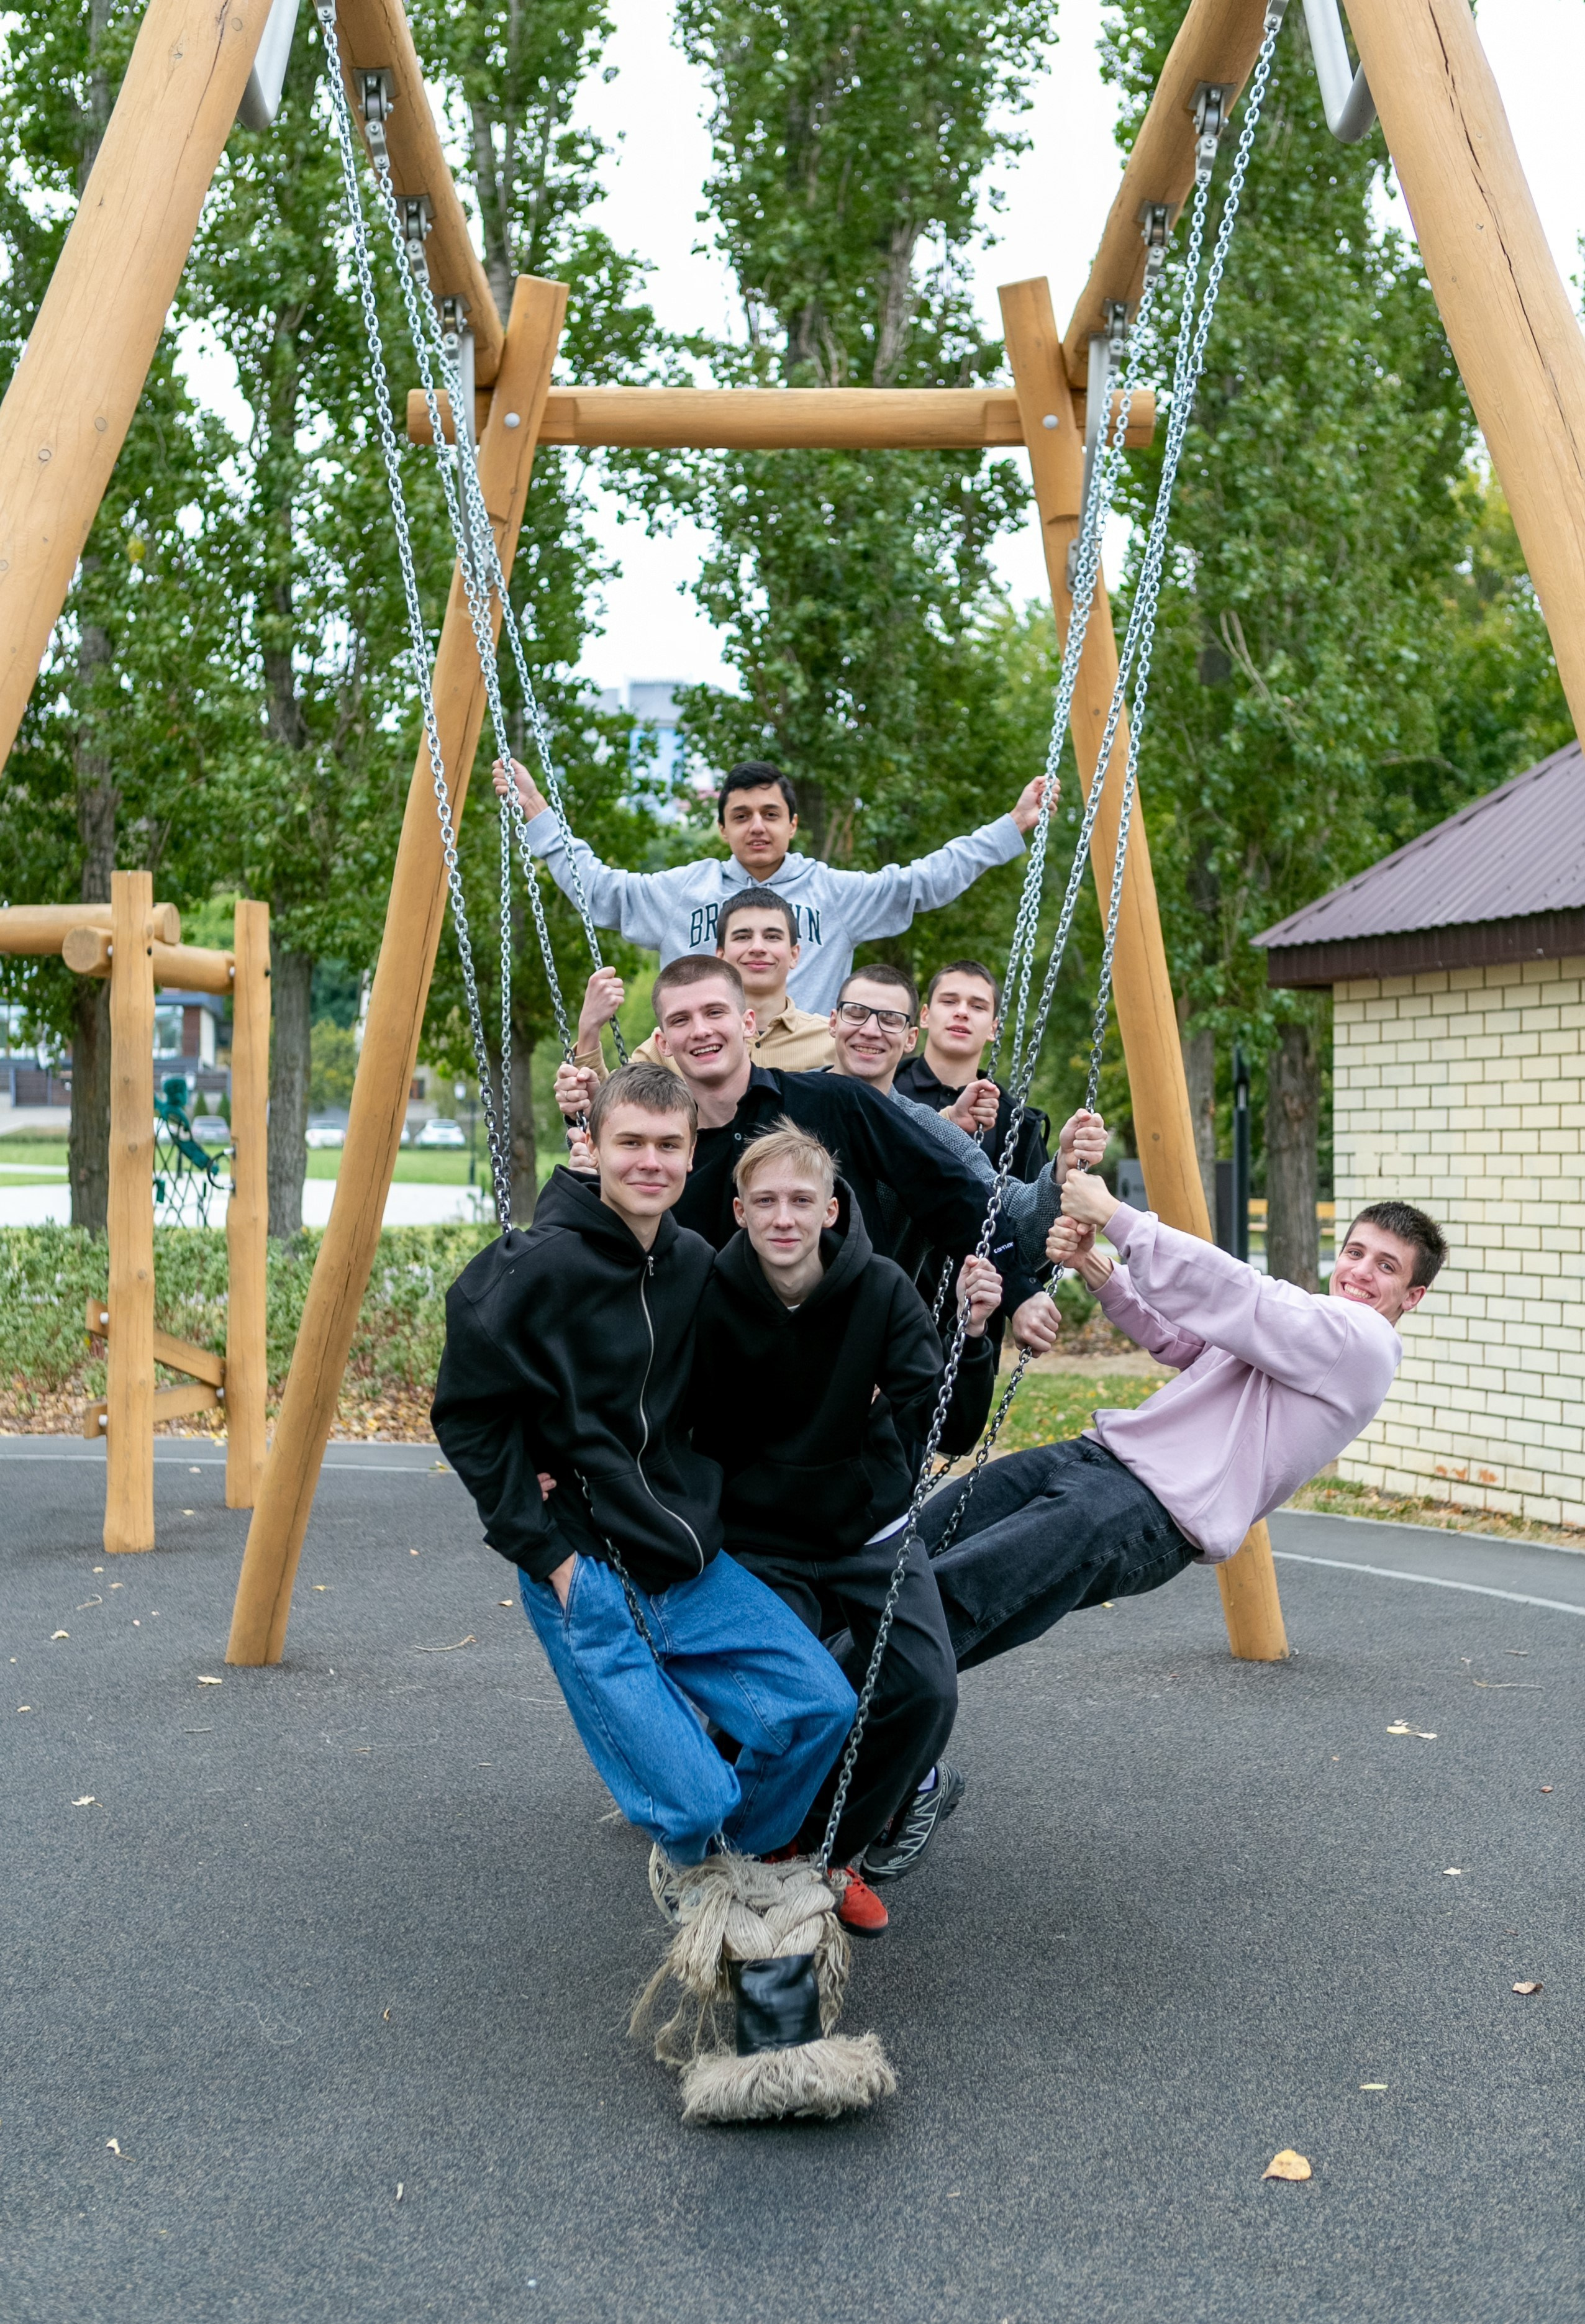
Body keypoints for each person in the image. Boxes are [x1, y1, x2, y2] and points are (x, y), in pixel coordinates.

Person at [430, 1060, 856, 1869]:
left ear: (694, 1153)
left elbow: (763, 1348)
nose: (650, 1161)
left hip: (684, 1555)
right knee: (693, 1798)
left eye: (669, 1143)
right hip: (587, 1570)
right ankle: (695, 1855)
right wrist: (548, 1554)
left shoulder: (693, 1260)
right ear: (591, 1143)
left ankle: (729, 1873)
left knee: (817, 1708)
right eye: (630, 1142)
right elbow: (467, 1415)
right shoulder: (529, 1271)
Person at [919, 1174, 1448, 1671]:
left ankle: (855, 1736)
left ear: (1412, 1296)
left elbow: (1245, 1296)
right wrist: (1096, 1267)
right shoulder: (1312, 1328)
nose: (1360, 1272)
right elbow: (1192, 1343)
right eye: (1355, 1253)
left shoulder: (1368, 1345)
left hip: (1148, 1508)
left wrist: (1113, 1215)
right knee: (911, 1547)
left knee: (956, 1598)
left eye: (1386, 1267)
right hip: (1094, 1458)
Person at [689, 1124, 1003, 1935]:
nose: (784, 1217)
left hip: (869, 1533)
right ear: (739, 1210)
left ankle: (834, 1847)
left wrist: (972, 1336)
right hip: (761, 1537)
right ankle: (753, 1842)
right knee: (772, 1697)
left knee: (925, 1689)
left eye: (801, 1200)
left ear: (832, 1207)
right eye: (765, 1201)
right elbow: (677, 1415)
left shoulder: (882, 1288)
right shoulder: (710, 1294)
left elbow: (952, 1427)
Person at [553, 955, 1063, 1347]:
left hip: (850, 1365)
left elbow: (949, 1193)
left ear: (748, 1023)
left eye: (715, 1012)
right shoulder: (664, 1155)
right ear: (663, 1042)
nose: (702, 1031)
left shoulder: (837, 1102)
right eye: (682, 1021)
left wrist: (1018, 1291)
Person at [494, 751, 1056, 1012]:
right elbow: (602, 891)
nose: (756, 826)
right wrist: (538, 812)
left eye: (769, 813)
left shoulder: (832, 893)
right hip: (697, 1079)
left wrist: (1010, 827)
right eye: (741, 816)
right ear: (722, 829)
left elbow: (922, 882)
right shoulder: (684, 891)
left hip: (802, 1077)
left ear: (792, 823)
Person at [822, 961, 1105, 1353]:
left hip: (877, 1344)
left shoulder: (929, 1131)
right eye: (857, 1014)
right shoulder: (785, 1104)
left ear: (909, 1037)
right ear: (833, 1021)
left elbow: (1009, 1218)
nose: (870, 1030)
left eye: (889, 1020)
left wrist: (1063, 1166)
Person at [571, 888, 833, 1082]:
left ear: (795, 954)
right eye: (743, 936)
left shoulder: (830, 1041)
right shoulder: (672, 1044)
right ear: (720, 955)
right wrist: (589, 1030)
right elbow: (611, 1108)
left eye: (772, 936)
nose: (757, 948)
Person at [894, 959, 1050, 1187]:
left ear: (993, 1029)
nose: (962, 1012)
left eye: (978, 1007)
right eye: (949, 1001)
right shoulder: (884, 1089)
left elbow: (1034, 1213)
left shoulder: (1018, 1125)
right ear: (925, 1016)